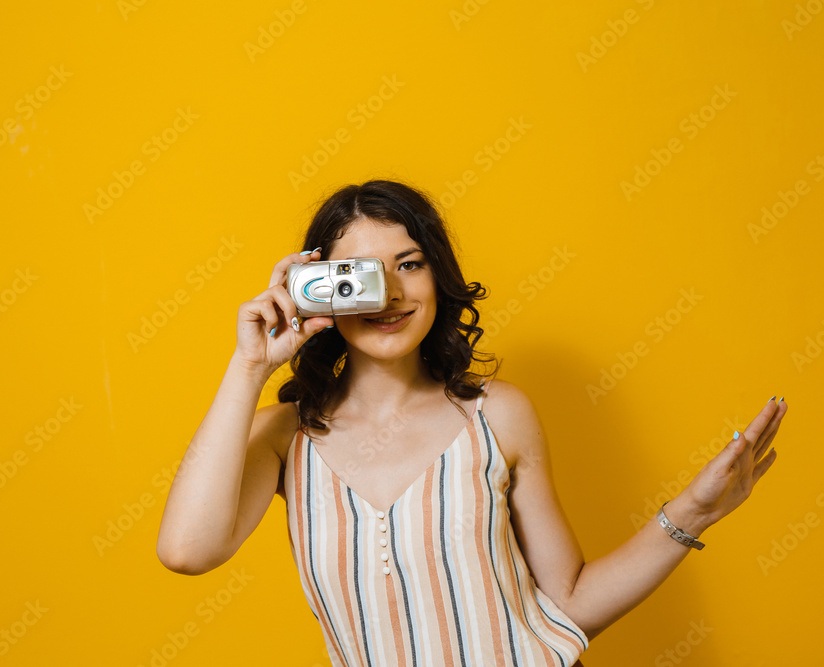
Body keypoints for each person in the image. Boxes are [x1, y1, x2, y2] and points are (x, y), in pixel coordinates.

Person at [156, 179, 787, 667]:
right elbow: (186, 551)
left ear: (439, 273)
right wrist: (249, 365)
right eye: (363, 275)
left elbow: (567, 603)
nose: (392, 295)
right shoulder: (284, 438)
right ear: (320, 286)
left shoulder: (498, 415)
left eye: (409, 264)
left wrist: (694, 512)